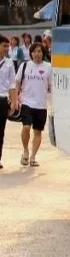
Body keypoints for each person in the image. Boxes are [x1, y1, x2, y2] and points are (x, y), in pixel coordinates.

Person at [12, 42, 51, 168]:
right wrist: (16, 98)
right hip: (26, 102)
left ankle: (33, 156)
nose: (37, 54)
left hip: (41, 104)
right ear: (31, 53)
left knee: (38, 132)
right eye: (34, 51)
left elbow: (51, 86)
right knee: (26, 127)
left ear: (43, 53)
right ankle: (25, 151)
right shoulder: (25, 66)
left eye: (39, 51)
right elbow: (17, 82)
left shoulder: (48, 67)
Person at [0, 36, 14, 169]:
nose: (6, 48)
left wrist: (14, 102)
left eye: (7, 46)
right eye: (4, 46)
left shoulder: (9, 63)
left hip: (3, 101)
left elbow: (12, 84)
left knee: (1, 131)